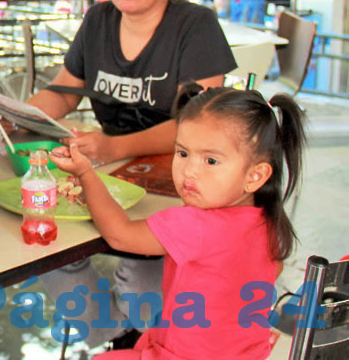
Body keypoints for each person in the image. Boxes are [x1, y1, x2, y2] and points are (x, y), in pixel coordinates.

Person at [10, 0, 239, 349]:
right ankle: (121, 339)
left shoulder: (195, 26)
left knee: (139, 275)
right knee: (46, 246)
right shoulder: (98, 21)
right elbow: (64, 91)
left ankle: (134, 338)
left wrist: (111, 145)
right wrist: (21, 113)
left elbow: (200, 127)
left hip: (177, 182)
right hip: (107, 174)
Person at [50, 83, 305, 358]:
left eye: (210, 160)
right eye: (182, 153)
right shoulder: (268, 222)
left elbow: (119, 234)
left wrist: (87, 175)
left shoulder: (193, 225)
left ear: (255, 176)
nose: (189, 171)